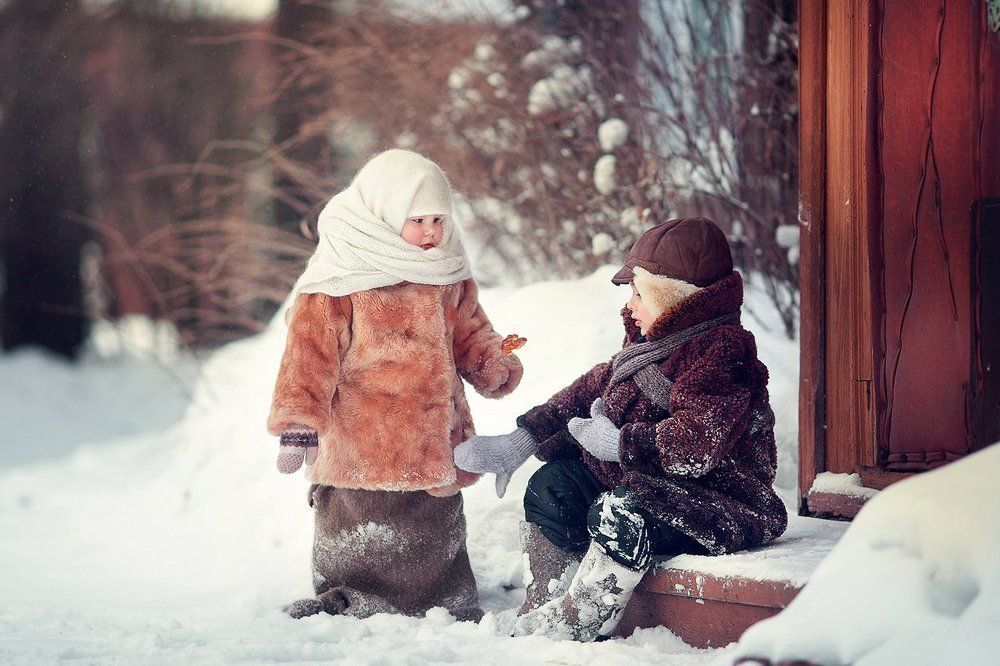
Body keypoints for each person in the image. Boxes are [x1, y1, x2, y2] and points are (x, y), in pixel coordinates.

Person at [455, 217, 788, 641]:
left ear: (674, 300)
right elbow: (588, 390)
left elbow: (696, 445)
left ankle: (582, 617)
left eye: (639, 293)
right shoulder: (651, 344)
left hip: (719, 500)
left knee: (621, 511)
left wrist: (620, 443)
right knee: (554, 485)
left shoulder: (723, 354)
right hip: (649, 482)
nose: (629, 305)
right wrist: (525, 439)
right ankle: (548, 597)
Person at [268, 149, 523, 622]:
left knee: (432, 530)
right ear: (385, 213)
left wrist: (492, 361)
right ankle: (348, 592)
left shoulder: (447, 271)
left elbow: (468, 330)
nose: (431, 232)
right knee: (359, 522)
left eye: (437, 220)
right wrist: (299, 422)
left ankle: (442, 600)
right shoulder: (340, 277)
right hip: (363, 439)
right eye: (417, 220)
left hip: (434, 435)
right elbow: (309, 355)